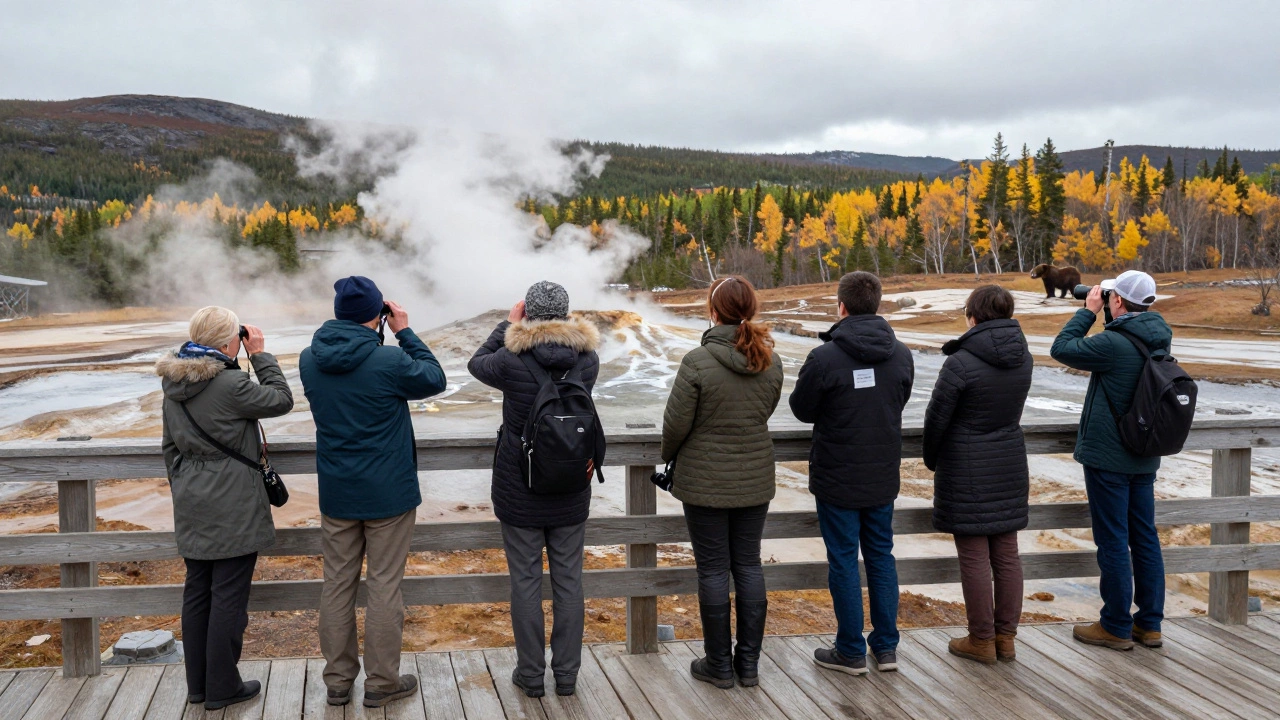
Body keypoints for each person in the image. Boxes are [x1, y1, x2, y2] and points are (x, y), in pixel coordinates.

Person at [299, 277, 448, 709]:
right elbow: (435, 378)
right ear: (377, 315)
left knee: (337, 584)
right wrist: (404, 331)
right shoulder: (389, 360)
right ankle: (382, 682)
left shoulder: (309, 359)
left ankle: (338, 682)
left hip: (337, 491)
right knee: (384, 586)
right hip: (389, 493)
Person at [468, 281, 602, 699]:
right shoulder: (588, 358)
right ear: (566, 313)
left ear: (527, 312)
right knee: (569, 581)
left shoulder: (510, 360)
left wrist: (508, 326)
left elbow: (476, 363)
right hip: (571, 484)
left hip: (519, 486)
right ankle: (567, 675)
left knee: (525, 581)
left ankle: (530, 676)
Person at [157, 306, 294, 710]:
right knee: (229, 598)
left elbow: (169, 448)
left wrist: (185, 485)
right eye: (237, 336)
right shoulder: (231, 383)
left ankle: (199, 686)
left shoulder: (172, 382)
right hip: (233, 501)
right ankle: (222, 688)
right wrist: (261, 355)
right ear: (228, 342)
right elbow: (281, 400)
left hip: (192, 498)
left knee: (198, 592)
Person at [660, 275, 783, 689]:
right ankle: (748, 665)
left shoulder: (697, 361)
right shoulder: (770, 360)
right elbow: (763, 412)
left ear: (713, 312)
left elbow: (676, 425)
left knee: (713, 569)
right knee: (748, 564)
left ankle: (719, 666)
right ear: (751, 310)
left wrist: (669, 456)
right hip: (755, 477)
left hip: (704, 479)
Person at [789, 271, 914, 676]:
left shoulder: (824, 357)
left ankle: (850, 651)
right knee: (880, 555)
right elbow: (899, 399)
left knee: (843, 560)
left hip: (837, 475)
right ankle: (886, 648)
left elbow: (802, 409)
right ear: (876, 305)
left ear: (841, 306)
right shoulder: (902, 354)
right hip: (882, 473)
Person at [1050, 270, 1170, 651]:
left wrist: (1088, 311)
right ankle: (1149, 624)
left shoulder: (1113, 344)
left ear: (1116, 300)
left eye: (1110, 296)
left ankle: (1116, 625)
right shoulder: (1159, 337)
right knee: (1145, 537)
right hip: (1144, 456)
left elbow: (1061, 348)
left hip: (1109, 459)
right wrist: (1106, 312)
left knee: (1114, 540)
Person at [922, 285, 1033, 664]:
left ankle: (981, 640)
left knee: (973, 554)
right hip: (1009, 461)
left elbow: (936, 418)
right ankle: (1006, 639)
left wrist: (932, 459)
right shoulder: (1023, 357)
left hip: (966, 465)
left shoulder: (961, 362)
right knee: (1007, 552)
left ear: (973, 316)